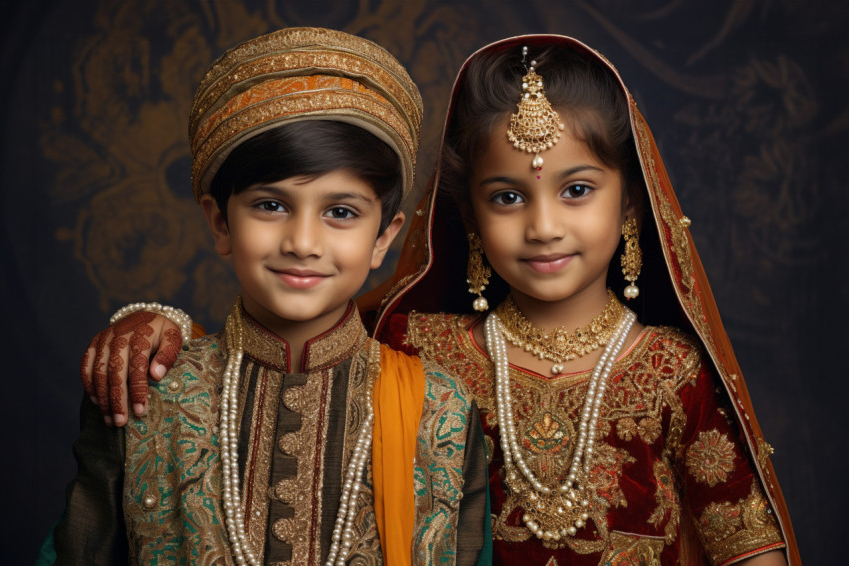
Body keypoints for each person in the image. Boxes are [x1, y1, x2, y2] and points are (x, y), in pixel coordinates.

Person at [81, 35, 800, 565]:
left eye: (577, 190)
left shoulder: (672, 370)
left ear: (632, 207)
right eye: (508, 196)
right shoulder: (420, 346)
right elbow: (289, 345)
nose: (544, 225)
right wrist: (161, 324)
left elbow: (745, 548)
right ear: (470, 218)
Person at [50, 27, 489, 565]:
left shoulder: (441, 412)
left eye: (341, 213)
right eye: (271, 206)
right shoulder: (144, 396)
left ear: (383, 238)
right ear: (219, 222)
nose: (303, 243)